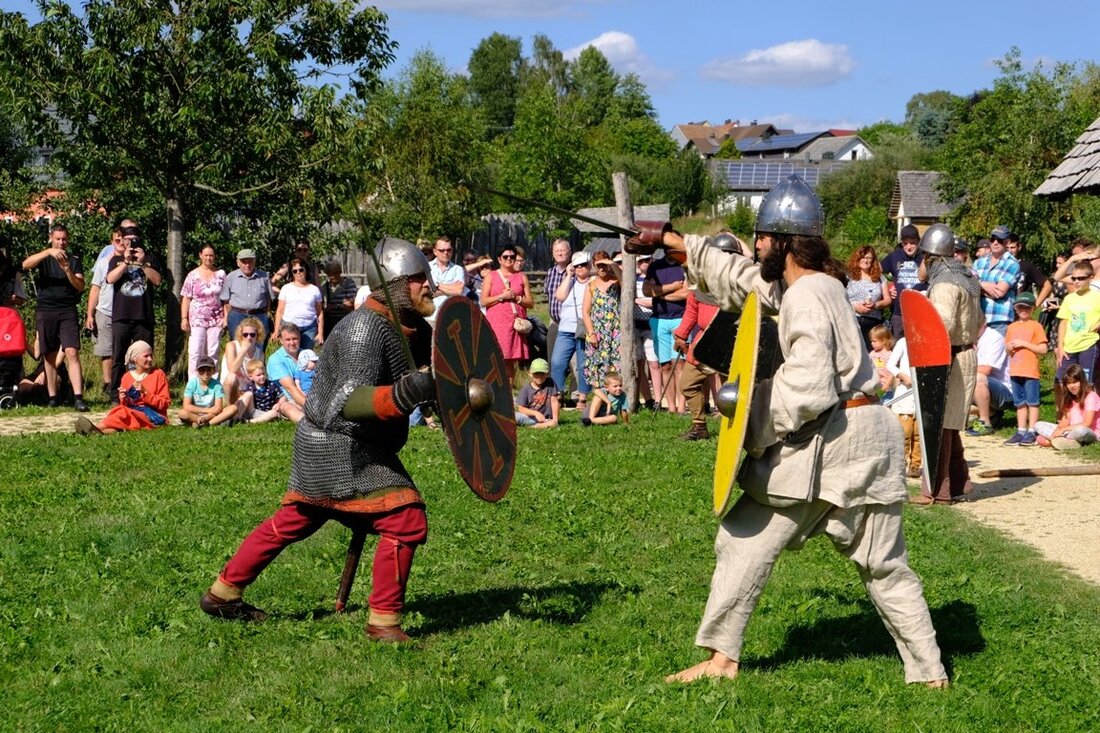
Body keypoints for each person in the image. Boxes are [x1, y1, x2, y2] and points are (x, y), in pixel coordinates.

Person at [636, 175, 947, 688]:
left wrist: (750, 423)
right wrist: (672, 241)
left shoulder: (806, 296)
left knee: (742, 538)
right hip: (867, 434)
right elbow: (742, 280)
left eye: (761, 237)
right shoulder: (810, 287)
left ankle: (721, 662)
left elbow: (807, 385)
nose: (754, 245)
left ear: (782, 242)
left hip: (833, 442)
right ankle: (930, 673)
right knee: (886, 568)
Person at [199, 236, 438, 643]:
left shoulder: (409, 327)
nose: (427, 285)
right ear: (395, 285)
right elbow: (348, 401)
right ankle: (383, 622)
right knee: (405, 517)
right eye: (417, 279)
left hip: (353, 443)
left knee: (296, 519)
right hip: (339, 442)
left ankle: (223, 592)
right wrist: (403, 394)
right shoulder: (365, 328)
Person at [910, 224, 983, 506]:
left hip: (948, 357)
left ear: (931, 257)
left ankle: (937, 492)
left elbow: (942, 326)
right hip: (965, 353)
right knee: (950, 424)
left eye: (923, 257)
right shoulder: (967, 279)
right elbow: (978, 323)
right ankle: (960, 481)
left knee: (937, 424)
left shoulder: (943, 285)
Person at [21, 224, 88, 411]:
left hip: (67, 309)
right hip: (46, 309)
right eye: (57, 239)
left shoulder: (74, 259)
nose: (61, 242)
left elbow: (80, 286)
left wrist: (67, 271)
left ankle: (78, 398)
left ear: (68, 239)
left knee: (72, 351)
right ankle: (52, 397)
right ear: (51, 238)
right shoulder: (44, 257)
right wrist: (48, 252)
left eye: (64, 239)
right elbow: (25, 265)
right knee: (48, 354)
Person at [106, 233, 162, 393]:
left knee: (145, 357)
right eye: (127, 239)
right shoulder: (116, 260)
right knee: (119, 356)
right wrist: (125, 262)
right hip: (121, 316)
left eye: (134, 239)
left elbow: (157, 281)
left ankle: (145, 391)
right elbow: (110, 279)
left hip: (143, 316)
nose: (131, 243)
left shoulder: (150, 258)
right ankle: (116, 392)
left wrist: (143, 263)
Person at [75, 340, 169, 434]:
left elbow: (165, 403)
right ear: (135, 358)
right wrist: (123, 398)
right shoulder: (127, 377)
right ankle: (95, 432)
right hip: (133, 414)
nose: (150, 359)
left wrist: (145, 393)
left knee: (122, 412)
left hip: (154, 416)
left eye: (151, 355)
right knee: (119, 418)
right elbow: (126, 405)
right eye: (146, 356)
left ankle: (95, 427)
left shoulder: (158, 374)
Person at [673, 289, 723, 440]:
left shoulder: (733, 283)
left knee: (734, 391)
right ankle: (699, 427)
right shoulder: (699, 288)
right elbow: (692, 310)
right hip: (703, 343)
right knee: (688, 384)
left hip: (731, 340)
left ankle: (739, 428)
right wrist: (681, 335)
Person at [644, 250, 689, 413]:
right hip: (659, 320)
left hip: (680, 318)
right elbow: (647, 291)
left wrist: (660, 294)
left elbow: (686, 293)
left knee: (680, 364)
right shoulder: (655, 266)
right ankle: (671, 407)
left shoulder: (684, 266)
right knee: (665, 365)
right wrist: (672, 288)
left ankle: (682, 407)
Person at [481, 245, 532, 385]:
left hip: (514, 323)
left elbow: (530, 303)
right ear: (499, 259)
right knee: (495, 358)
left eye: (512, 256)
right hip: (497, 323)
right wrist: (501, 296)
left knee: (510, 360)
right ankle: (493, 390)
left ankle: (508, 394)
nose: (509, 259)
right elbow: (484, 301)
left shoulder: (521, 277)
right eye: (505, 257)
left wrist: (517, 298)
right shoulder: (491, 276)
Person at [1053, 260, 1100, 413]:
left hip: (1089, 344)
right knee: (1060, 381)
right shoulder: (1069, 298)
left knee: (1087, 383)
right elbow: (1063, 323)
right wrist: (1060, 347)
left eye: (1081, 278)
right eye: (1074, 278)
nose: (1076, 281)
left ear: (1091, 278)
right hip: (1069, 346)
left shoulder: (1096, 296)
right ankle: (1063, 416)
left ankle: (1089, 418)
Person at [1002, 291, 1048, 446]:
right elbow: (1007, 350)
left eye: (1027, 308)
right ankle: (1021, 430)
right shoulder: (1011, 327)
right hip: (1015, 370)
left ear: (1033, 308)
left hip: (1030, 371)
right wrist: (1008, 348)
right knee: (1019, 403)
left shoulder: (1036, 326)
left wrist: (1024, 343)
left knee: (1032, 402)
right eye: (1020, 307)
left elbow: (1043, 349)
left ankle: (1032, 431)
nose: (1023, 310)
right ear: (1015, 308)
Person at [85, 229, 125, 399]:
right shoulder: (102, 262)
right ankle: (108, 384)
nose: (121, 242)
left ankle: (124, 383)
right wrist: (89, 314)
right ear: (112, 241)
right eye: (117, 240)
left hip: (124, 313)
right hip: (105, 310)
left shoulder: (133, 261)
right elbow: (95, 288)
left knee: (123, 351)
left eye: (123, 239)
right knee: (106, 351)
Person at [551, 251, 591, 411]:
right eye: (577, 265)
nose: (580, 268)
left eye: (583, 265)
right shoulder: (569, 282)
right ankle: (558, 395)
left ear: (589, 266)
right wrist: (568, 275)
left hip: (583, 328)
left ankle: (582, 397)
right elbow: (559, 296)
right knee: (557, 362)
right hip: (565, 328)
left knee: (583, 364)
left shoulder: (593, 282)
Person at [180, 244, 227, 380]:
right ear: (200, 255)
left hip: (216, 319)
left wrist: (226, 318)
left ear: (215, 256)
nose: (208, 258)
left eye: (211, 255)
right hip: (197, 319)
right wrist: (184, 318)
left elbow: (226, 299)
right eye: (206, 255)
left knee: (213, 352)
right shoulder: (192, 275)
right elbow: (186, 298)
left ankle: (213, 383)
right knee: (195, 351)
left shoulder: (221, 275)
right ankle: (194, 384)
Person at [582, 254, 622, 396]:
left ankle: (617, 398)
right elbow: (585, 312)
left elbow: (625, 281)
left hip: (614, 331)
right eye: (598, 265)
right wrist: (591, 333)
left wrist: (612, 265)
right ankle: (600, 399)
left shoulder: (617, 281)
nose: (602, 268)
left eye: (604, 265)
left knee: (616, 364)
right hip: (597, 332)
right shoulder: (591, 285)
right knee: (597, 366)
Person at [221, 248, 275, 350]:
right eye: (244, 261)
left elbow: (268, 298)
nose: (247, 264)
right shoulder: (230, 277)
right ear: (238, 262)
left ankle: (258, 366)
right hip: (237, 316)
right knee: (237, 347)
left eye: (250, 261)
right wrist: (226, 319)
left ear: (255, 261)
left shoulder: (264, 277)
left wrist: (266, 314)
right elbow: (226, 302)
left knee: (259, 347)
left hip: (259, 315)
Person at [1035, 364, 1099, 449]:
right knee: (1038, 425)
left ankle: (1056, 441)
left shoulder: (1091, 396)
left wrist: (1063, 430)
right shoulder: (1070, 398)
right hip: (1070, 431)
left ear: (1082, 381)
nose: (1072, 386)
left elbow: (1087, 423)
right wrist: (1057, 431)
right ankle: (1064, 441)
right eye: (1069, 383)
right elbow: (1065, 420)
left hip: (1090, 431)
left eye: (1075, 382)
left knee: (1081, 431)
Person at [973, 225, 1020, 336]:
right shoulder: (980, 262)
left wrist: (977, 287)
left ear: (1007, 242)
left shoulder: (1012, 263)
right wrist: (984, 285)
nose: (995, 242)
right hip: (977, 318)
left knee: (991, 354)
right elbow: (969, 286)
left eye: (999, 240)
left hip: (998, 320)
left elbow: (999, 292)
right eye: (992, 239)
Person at [880, 224, 926, 340]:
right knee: (897, 347)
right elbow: (876, 272)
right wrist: (888, 287)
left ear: (918, 241)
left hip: (921, 312)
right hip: (899, 313)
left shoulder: (926, 257)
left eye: (912, 243)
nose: (909, 247)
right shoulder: (894, 256)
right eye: (905, 243)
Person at [885, 337, 922, 479]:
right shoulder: (903, 342)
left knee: (919, 436)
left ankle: (915, 466)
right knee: (904, 434)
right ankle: (900, 464)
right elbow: (890, 365)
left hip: (921, 394)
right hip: (905, 394)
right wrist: (901, 375)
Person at [966, 325, 1013, 436]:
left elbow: (986, 369)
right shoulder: (969, 339)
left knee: (978, 377)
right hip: (985, 388)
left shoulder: (994, 338)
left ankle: (985, 423)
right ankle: (991, 413)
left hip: (1005, 392)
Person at [846, 245, 892, 349]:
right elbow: (840, 298)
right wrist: (855, 307)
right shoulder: (848, 276)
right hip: (852, 320)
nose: (865, 260)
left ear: (873, 260)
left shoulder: (880, 277)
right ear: (857, 258)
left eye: (869, 258)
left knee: (871, 353)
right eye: (863, 257)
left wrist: (876, 304)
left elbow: (888, 300)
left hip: (873, 323)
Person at [274, 257, 324, 350]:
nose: (298, 272)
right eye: (295, 271)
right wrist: (276, 330)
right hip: (289, 326)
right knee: (290, 353)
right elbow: (280, 311)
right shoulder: (286, 288)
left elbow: (319, 313)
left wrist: (320, 333)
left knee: (306, 355)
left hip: (309, 328)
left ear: (306, 270)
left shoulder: (314, 289)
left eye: (301, 269)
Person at [178, 355, 239, 428]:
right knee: (182, 413)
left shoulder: (217, 385)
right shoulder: (191, 384)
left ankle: (206, 423)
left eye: (209, 369)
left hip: (212, 414)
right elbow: (186, 406)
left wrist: (206, 417)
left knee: (233, 408)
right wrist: (206, 411)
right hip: (197, 413)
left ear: (213, 371)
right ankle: (206, 421)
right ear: (197, 371)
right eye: (202, 370)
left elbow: (218, 408)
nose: (205, 372)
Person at [220, 317, 266, 406]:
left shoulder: (260, 354)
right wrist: (243, 350)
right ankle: (230, 407)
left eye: (252, 335)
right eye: (245, 334)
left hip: (247, 391)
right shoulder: (232, 346)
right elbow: (232, 370)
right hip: (230, 388)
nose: (249, 338)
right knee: (232, 378)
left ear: (258, 335)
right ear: (241, 335)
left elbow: (258, 376)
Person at [267, 323, 307, 423]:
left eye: (295, 339)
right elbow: (290, 388)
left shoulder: (308, 355)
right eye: (288, 340)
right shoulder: (275, 359)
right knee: (288, 407)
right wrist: (312, 407)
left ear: (300, 338)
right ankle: (308, 425)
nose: (292, 343)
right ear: (281, 340)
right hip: (289, 399)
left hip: (311, 396)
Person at [427, 236, 465, 324]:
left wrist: (436, 285)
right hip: (430, 317)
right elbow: (428, 292)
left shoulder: (457, 269)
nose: (446, 253)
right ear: (435, 251)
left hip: (450, 318)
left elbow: (459, 291)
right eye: (442, 250)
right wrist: (451, 288)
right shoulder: (427, 268)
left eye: (449, 250)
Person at [514, 357, 560, 428]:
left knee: (553, 423)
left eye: (542, 373)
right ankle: (538, 426)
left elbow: (554, 401)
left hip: (546, 419)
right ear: (530, 373)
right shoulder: (525, 389)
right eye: (536, 373)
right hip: (530, 417)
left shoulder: (551, 383)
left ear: (547, 373)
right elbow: (521, 408)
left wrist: (555, 419)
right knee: (513, 416)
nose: (539, 377)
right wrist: (535, 413)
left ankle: (538, 426)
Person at [238, 359, 285, 424]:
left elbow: (282, 397)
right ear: (251, 377)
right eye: (259, 375)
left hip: (266, 413)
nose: (262, 376)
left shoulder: (271, 385)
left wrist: (279, 404)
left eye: (263, 374)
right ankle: (237, 417)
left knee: (274, 413)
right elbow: (244, 399)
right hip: (253, 411)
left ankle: (250, 422)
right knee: (248, 394)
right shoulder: (250, 387)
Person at [320, 260, 358, 339]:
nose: (333, 276)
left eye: (335, 273)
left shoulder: (348, 283)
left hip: (346, 320)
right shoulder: (325, 286)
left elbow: (351, 303)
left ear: (340, 272)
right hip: (330, 322)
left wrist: (335, 306)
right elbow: (322, 306)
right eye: (330, 274)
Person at [544, 238, 572, 327]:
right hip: (554, 322)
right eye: (556, 251)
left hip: (571, 323)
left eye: (563, 250)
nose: (559, 253)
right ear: (553, 253)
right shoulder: (550, 272)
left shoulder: (575, 272)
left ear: (569, 252)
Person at [867, 324, 895, 397]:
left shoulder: (890, 355)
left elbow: (893, 372)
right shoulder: (872, 353)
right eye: (871, 341)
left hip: (886, 388)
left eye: (874, 341)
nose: (871, 343)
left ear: (884, 340)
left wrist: (887, 384)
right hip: (874, 386)